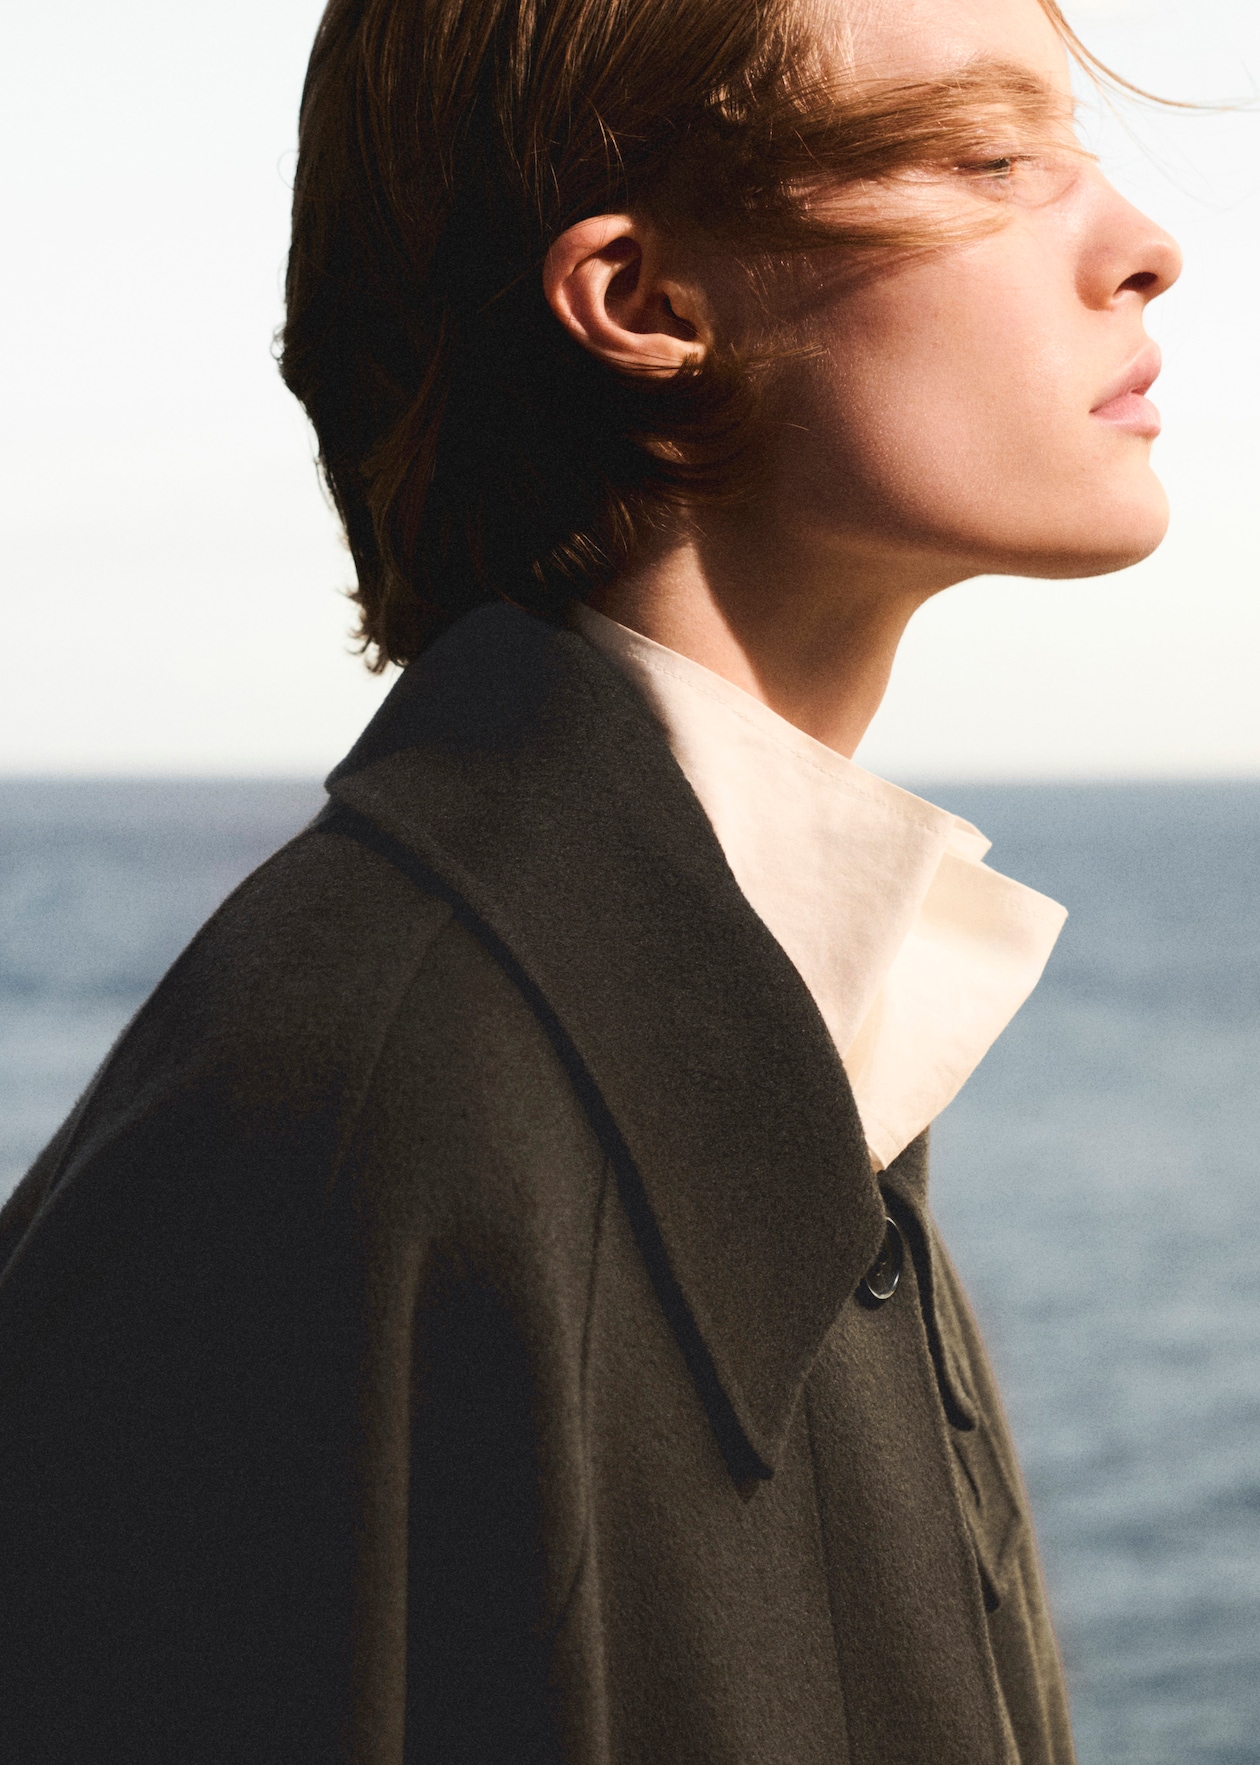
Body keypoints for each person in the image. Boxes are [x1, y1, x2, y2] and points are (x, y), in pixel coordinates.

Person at [0, 0, 1179, 1758]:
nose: (1141, 245)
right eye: (988, 154)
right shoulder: (360, 1124)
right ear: (645, 304)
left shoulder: (789, 1008)